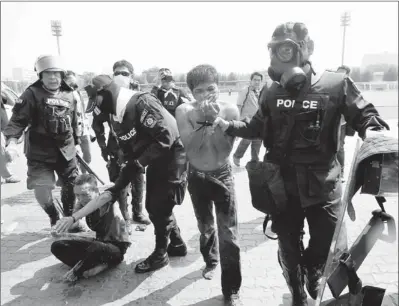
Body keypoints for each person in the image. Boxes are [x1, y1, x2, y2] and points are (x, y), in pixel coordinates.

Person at [212, 22, 389, 306]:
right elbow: (257, 126)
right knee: (288, 249)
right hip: (282, 187)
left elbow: (366, 115)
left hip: (323, 187)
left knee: (324, 246)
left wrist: (375, 132)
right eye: (274, 49)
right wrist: (230, 125)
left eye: (285, 48)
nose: (277, 56)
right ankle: (296, 292)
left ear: (306, 50)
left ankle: (313, 270)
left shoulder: (335, 84)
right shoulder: (270, 91)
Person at [80, 74, 188, 273]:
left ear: (107, 93)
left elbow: (167, 135)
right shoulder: (117, 114)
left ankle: (161, 254)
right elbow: (130, 148)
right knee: (157, 204)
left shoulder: (141, 103)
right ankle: (177, 243)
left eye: (98, 101)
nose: (98, 108)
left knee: (158, 205)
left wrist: (139, 163)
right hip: (157, 158)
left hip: (172, 158)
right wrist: (121, 180)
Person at [175, 64, 242, 306]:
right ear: (192, 92)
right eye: (200, 91)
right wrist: (203, 121)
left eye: (210, 89)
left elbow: (224, 149)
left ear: (219, 87)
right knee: (206, 228)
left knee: (229, 235)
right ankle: (210, 260)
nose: (206, 95)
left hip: (222, 175)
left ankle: (231, 288)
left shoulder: (230, 109)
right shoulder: (183, 110)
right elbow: (190, 147)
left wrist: (215, 121)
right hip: (197, 176)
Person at [3, 55, 82, 230]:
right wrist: (12, 142)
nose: (53, 78)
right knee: (41, 189)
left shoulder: (69, 94)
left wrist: (77, 144)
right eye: (48, 74)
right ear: (41, 76)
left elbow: (75, 121)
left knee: (71, 186)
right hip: (39, 152)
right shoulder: (31, 94)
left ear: (62, 75)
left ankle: (68, 219)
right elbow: (17, 121)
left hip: (66, 150)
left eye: (56, 74)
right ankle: (54, 216)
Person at [89, 60, 150, 229]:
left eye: (125, 73)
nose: (120, 76)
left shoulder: (140, 96)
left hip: (138, 147)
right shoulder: (105, 96)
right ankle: (125, 217)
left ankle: (138, 212)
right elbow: (97, 123)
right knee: (120, 182)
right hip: (116, 146)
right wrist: (102, 146)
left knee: (139, 181)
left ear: (132, 76)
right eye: (117, 73)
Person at [51, 173, 131, 282]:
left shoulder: (105, 201)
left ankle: (81, 269)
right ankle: (93, 264)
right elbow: (75, 224)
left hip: (115, 250)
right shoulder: (81, 203)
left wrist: (73, 218)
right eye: (77, 195)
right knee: (57, 246)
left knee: (95, 247)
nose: (81, 199)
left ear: (96, 191)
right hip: (98, 243)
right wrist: (61, 229)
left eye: (85, 194)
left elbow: (109, 191)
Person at [232, 72, 263, 167]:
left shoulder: (260, 91)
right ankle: (237, 156)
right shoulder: (245, 90)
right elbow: (239, 106)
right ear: (251, 80)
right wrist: (238, 121)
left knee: (258, 140)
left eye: (259, 80)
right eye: (255, 80)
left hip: (258, 120)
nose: (257, 82)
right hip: (247, 120)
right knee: (247, 139)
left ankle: (255, 160)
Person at [64, 71, 92, 174]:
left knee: (88, 157)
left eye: (74, 81)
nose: (73, 84)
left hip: (83, 130)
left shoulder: (78, 92)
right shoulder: (62, 95)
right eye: (70, 81)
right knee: (72, 158)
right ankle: (77, 178)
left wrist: (89, 127)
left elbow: (82, 111)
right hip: (72, 131)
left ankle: (82, 174)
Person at [336, 65, 356, 182]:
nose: (339, 75)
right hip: (330, 122)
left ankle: (341, 172)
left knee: (339, 148)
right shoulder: (332, 86)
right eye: (338, 73)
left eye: (342, 73)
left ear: (347, 75)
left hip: (341, 123)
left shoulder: (350, 88)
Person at [1, 91, 20, 184]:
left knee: (3, 153)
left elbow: (9, 101)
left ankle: (6, 175)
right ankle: (7, 175)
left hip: (2, 129)